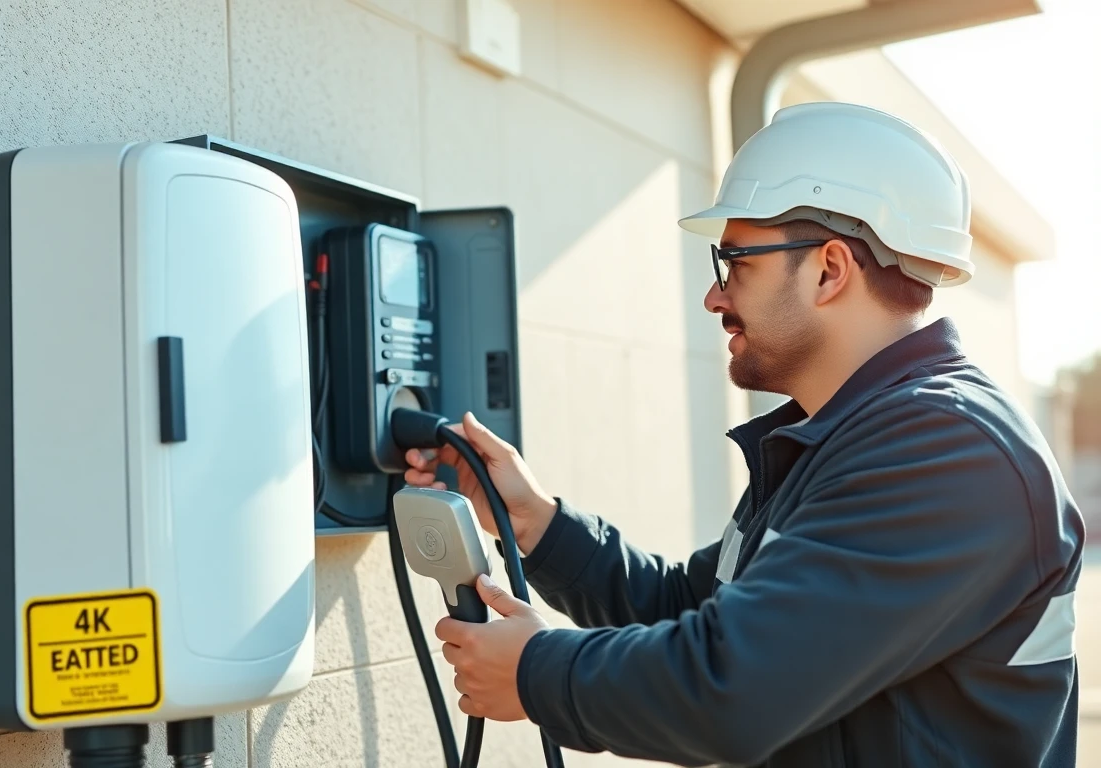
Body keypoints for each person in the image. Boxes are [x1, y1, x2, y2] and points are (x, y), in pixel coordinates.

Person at [404, 102, 1085, 767]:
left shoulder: (950, 454)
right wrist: (536, 523)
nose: (715, 296)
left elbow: (733, 689)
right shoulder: (841, 442)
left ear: (829, 269)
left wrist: (536, 672)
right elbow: (689, 608)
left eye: (736, 263)